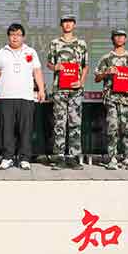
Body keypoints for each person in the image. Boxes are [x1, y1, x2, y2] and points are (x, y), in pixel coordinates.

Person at [0, 23, 45, 170]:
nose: (15, 38)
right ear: (8, 36)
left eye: (18, 35)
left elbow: (37, 71)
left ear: (23, 37)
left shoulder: (31, 52)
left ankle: (24, 158)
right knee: (6, 129)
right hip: (5, 96)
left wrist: (41, 89)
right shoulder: (1, 53)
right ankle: (7, 158)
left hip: (26, 96)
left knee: (25, 129)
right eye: (12, 35)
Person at [94, 29, 128, 170]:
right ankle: (112, 159)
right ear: (112, 39)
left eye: (122, 36)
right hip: (111, 99)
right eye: (117, 36)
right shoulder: (106, 58)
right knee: (112, 128)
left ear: (125, 39)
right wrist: (106, 73)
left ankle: (127, 159)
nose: (120, 38)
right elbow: (97, 78)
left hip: (127, 99)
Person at [46, 14, 88, 170]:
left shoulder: (81, 43)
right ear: (61, 25)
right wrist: (55, 67)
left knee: (75, 123)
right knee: (59, 123)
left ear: (74, 24)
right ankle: (59, 157)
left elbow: (85, 65)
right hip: (59, 89)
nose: (68, 24)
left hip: (76, 90)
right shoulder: (55, 43)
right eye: (65, 22)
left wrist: (81, 81)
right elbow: (49, 63)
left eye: (70, 22)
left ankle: (74, 157)